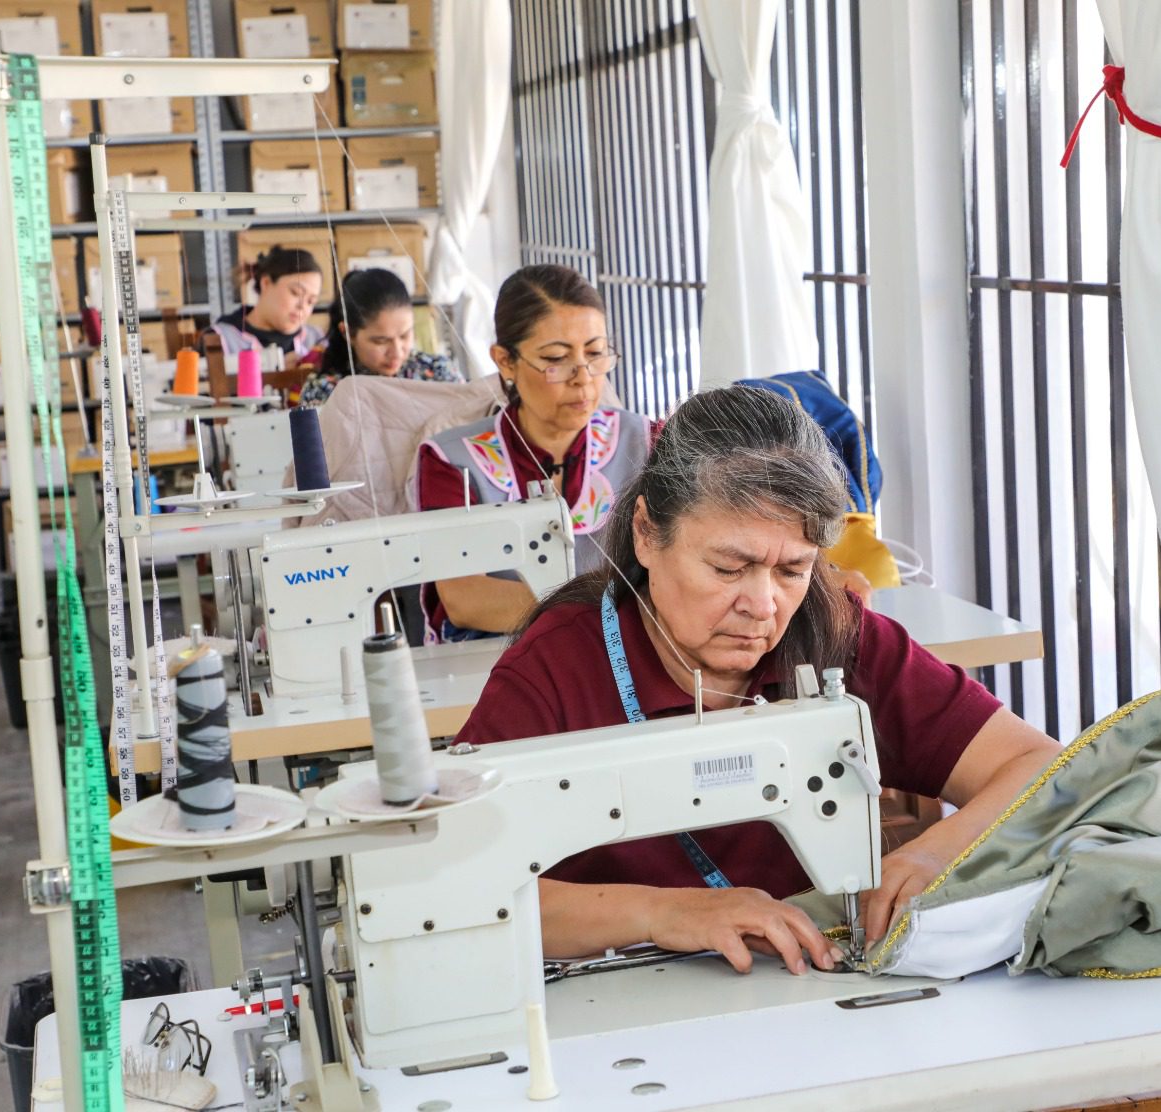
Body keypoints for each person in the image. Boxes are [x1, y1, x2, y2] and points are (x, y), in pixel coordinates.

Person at [454, 386, 1061, 974]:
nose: (763, 605)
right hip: (614, 993)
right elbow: (455, 885)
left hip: (795, 980)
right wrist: (660, 912)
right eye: (728, 568)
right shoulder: (559, 665)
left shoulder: (837, 635)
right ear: (645, 533)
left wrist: (934, 852)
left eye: (793, 570)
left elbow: (1039, 764)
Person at [412, 264, 656, 642]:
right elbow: (465, 599)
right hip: (494, 658)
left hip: (619, 648)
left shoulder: (646, 441)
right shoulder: (452, 461)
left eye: (595, 353)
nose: (583, 377)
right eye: (556, 359)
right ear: (505, 361)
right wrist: (609, 611)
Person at [298, 267, 461, 406]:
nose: (397, 352)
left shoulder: (439, 373)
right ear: (347, 332)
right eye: (381, 341)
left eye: (404, 336)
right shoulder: (326, 392)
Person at [209, 247, 325, 360]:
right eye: (296, 292)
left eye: (311, 301)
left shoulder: (316, 339)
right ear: (266, 283)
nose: (302, 306)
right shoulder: (220, 339)